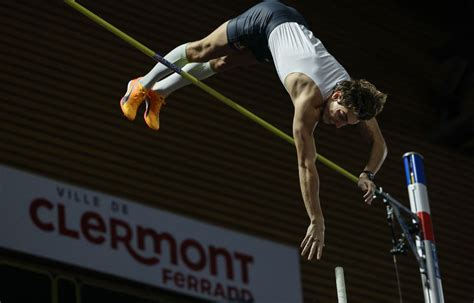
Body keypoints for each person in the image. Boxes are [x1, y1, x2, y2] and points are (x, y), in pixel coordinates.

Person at [119, 1, 388, 261]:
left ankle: (158, 93)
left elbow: (380, 143)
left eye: (347, 123)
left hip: (284, 36)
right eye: (340, 116)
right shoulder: (307, 101)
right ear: (337, 94)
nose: (339, 124)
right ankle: (141, 84)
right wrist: (316, 219)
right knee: (202, 50)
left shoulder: (354, 99)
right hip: (268, 18)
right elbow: (307, 166)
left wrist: (368, 174)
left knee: (224, 63)